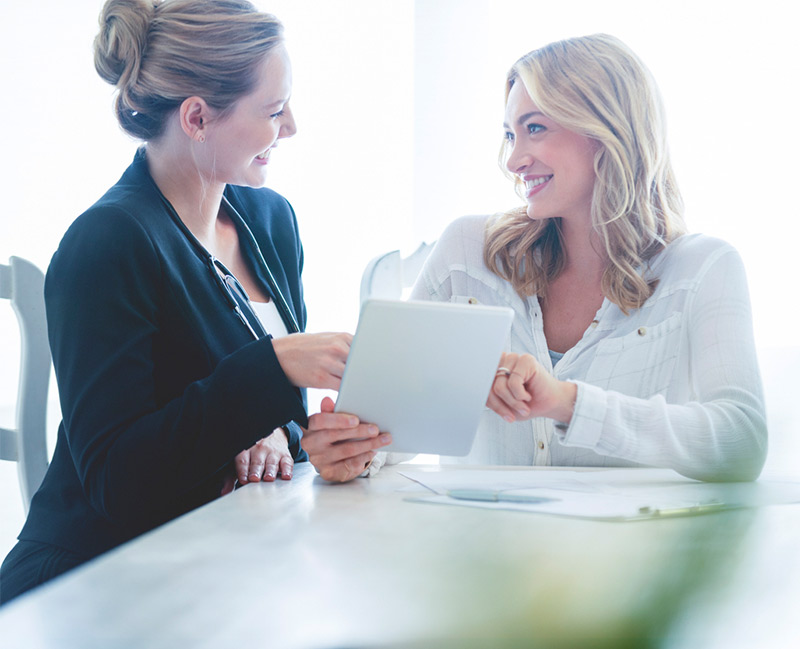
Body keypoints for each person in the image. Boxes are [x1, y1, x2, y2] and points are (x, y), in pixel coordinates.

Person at [0, 0, 389, 605]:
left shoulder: (269, 219)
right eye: (274, 111)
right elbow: (117, 481)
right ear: (198, 118)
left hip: (213, 562)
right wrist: (274, 366)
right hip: (90, 582)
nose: (291, 129)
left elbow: (253, 415)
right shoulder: (108, 243)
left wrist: (290, 436)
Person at [372, 33, 766, 482]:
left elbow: (742, 441)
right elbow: (392, 425)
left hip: (629, 549)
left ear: (606, 130)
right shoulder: (467, 250)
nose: (515, 160)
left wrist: (568, 402)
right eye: (509, 134)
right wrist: (356, 450)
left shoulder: (704, 268)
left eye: (534, 128)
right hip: (475, 545)